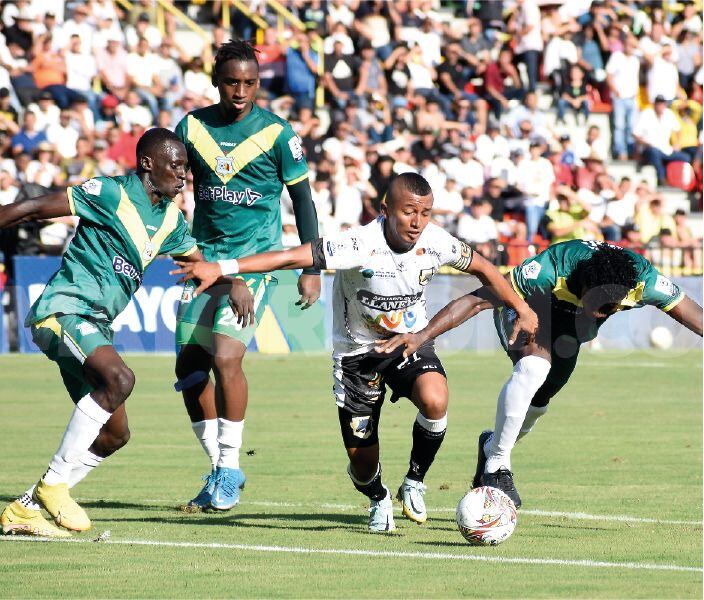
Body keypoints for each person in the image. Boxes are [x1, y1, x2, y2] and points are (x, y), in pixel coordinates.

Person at [0, 128, 255, 537]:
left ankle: (27, 506)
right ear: (147, 163)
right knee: (121, 378)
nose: (184, 175)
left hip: (95, 326)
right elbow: (31, 208)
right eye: (176, 165)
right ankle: (54, 485)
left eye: (186, 168)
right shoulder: (110, 192)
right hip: (63, 311)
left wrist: (231, 280)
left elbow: (202, 268)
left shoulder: (170, 222)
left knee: (115, 434)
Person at [173, 173, 537, 532]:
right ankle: (378, 498)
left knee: (436, 399)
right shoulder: (358, 244)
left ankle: (414, 480)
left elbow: (485, 269)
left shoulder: (438, 242)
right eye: (409, 211)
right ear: (384, 209)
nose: (417, 222)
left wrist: (520, 306)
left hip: (410, 342)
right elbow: (289, 257)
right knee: (362, 465)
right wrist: (222, 267)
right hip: (356, 357)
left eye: (425, 213)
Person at [392, 240, 703, 508]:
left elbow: (694, 316)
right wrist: (422, 335)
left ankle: (491, 447)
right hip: (529, 309)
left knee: (540, 402)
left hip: (570, 333)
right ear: (582, 284)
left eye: (609, 308)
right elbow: (475, 300)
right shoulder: (549, 270)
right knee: (533, 368)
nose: (599, 312)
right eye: (595, 303)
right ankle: (497, 465)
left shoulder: (645, 281)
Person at [173, 40, 321, 513]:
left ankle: (229, 467)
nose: (241, 91)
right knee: (189, 370)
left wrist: (310, 267)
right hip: (203, 260)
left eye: (250, 83)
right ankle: (223, 468)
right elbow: (167, 188)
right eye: (232, 82)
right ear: (216, 81)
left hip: (255, 262)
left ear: (259, 83)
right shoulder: (192, 127)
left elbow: (303, 202)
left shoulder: (278, 133)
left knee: (225, 357)